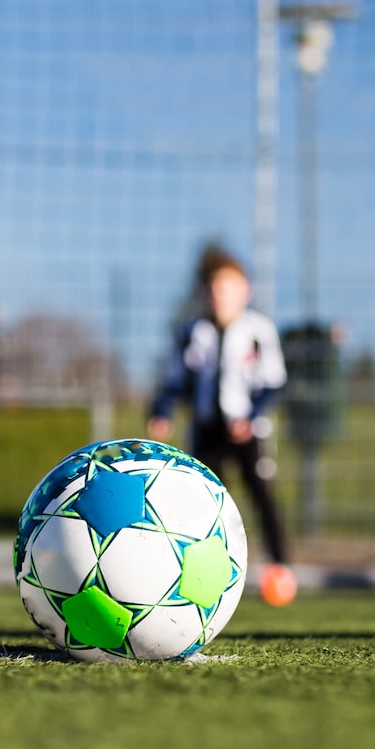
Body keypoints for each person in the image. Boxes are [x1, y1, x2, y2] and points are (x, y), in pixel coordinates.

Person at [147, 245, 291, 579]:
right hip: (206, 429)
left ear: (245, 291)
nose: (219, 296)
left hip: (246, 429)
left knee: (260, 493)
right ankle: (207, 569)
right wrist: (162, 412)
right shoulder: (192, 332)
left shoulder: (259, 330)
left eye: (227, 289)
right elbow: (174, 380)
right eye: (213, 289)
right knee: (205, 500)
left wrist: (252, 416)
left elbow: (273, 384)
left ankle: (280, 566)